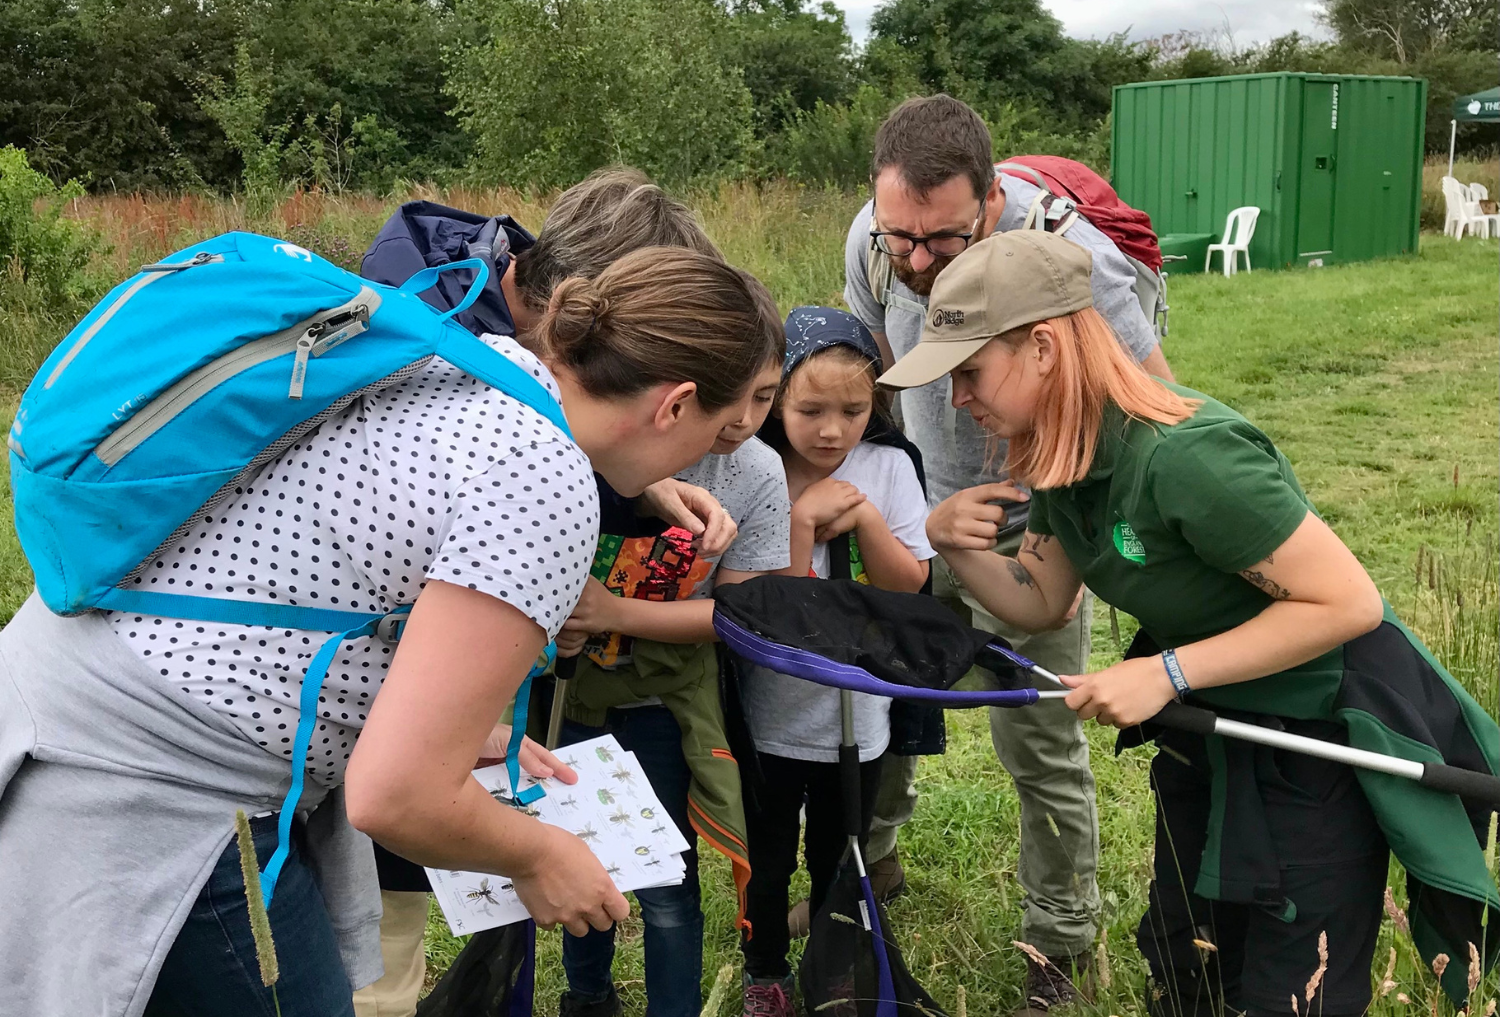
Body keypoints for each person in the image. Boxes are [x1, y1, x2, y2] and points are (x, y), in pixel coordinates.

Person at [0, 246, 785, 1017]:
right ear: (675, 404)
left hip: (62, 701)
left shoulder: (469, 365)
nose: (717, 453)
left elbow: (332, 565)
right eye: (720, 430)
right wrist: (543, 855)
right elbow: (397, 796)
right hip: (154, 793)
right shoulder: (545, 479)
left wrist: (442, 723)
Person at [881, 229, 1500, 1017]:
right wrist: (948, 545)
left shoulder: (1189, 457)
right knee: (1187, 964)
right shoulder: (1062, 458)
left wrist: (1163, 672)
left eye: (969, 372)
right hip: (1213, 727)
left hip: (1317, 732)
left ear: (1042, 347)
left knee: (1291, 984)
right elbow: (1041, 599)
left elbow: (1349, 604)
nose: (957, 398)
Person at [354, 166, 743, 1017]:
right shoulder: (522, 444)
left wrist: (638, 487)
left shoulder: (464, 334)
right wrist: (536, 855)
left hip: (278, 728)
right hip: (216, 772)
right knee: (368, 969)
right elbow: (394, 788)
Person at [840, 93, 1174, 1009]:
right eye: (898, 234)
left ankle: (1059, 942)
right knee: (880, 695)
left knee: (1038, 734)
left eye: (939, 241)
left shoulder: (1079, 266)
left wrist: (1071, 534)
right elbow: (871, 370)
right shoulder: (872, 242)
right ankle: (867, 870)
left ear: (990, 203)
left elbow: (1149, 407)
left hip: (1039, 523)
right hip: (918, 513)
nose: (913, 259)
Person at [546, 328, 789, 1017]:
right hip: (569, 694)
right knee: (576, 852)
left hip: (663, 702)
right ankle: (585, 997)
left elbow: (741, 615)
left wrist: (608, 610)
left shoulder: (758, 474)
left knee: (663, 874)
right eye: (730, 399)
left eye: (764, 397)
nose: (741, 419)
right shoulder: (604, 446)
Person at [737, 307, 937, 1017]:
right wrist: (800, 519)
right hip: (773, 717)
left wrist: (867, 521)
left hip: (863, 716)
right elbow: (777, 608)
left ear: (876, 406)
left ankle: (831, 966)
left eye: (853, 410)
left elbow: (907, 585)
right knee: (767, 857)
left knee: (839, 850)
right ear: (776, 400)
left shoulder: (888, 468)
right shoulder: (757, 469)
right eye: (810, 409)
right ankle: (763, 967)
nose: (831, 430)